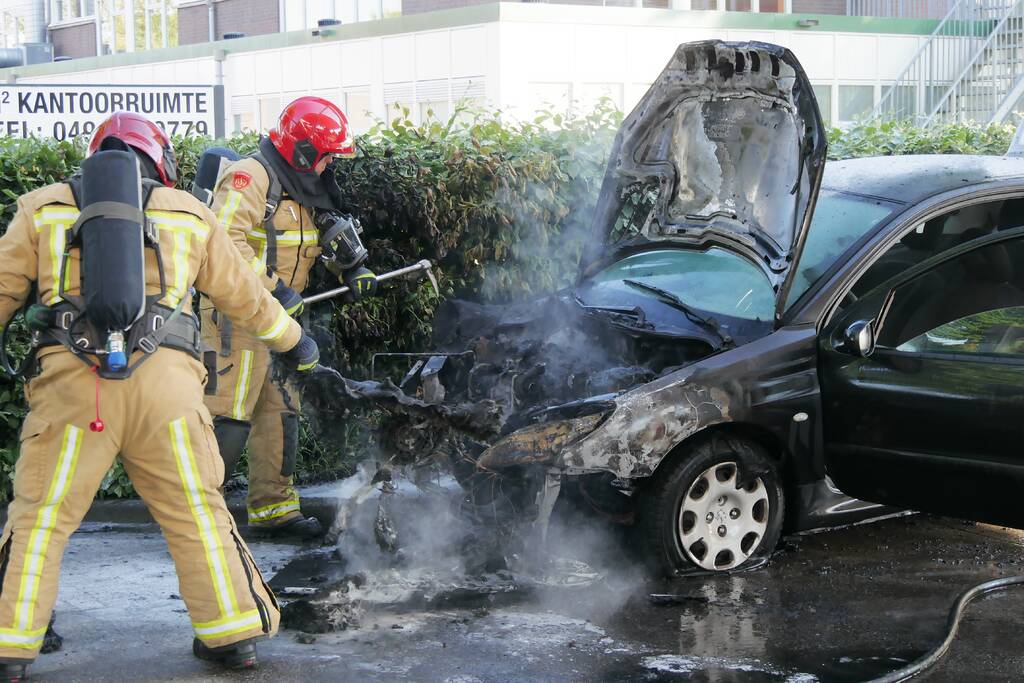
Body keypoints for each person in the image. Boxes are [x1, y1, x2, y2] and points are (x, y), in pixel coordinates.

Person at [0, 111, 320, 681]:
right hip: (169, 392)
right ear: (162, 163)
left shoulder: (41, 207)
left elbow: (1, 291)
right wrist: (295, 341)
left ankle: (10, 645)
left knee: (41, 518)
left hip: (73, 395)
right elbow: (246, 298)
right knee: (197, 512)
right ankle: (232, 638)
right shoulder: (190, 214)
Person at [202, 96, 377, 539]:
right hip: (234, 317)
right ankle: (200, 520)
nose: (327, 166)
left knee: (280, 411)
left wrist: (352, 267)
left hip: (280, 320)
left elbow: (317, 237)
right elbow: (221, 242)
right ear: (302, 150)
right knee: (227, 416)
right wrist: (274, 289)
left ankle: (273, 509)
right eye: (325, 156)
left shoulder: (303, 186)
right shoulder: (251, 177)